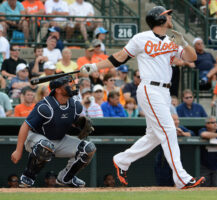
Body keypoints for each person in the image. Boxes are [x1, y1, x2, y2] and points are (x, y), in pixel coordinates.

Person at [81, 6, 205, 189]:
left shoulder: (172, 40)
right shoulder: (141, 38)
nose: (170, 16)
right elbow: (120, 57)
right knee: (169, 130)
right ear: (159, 18)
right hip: (149, 88)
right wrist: (95, 67)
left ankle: (122, 160)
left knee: (154, 136)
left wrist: (184, 42)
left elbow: (192, 57)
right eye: (167, 14)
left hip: (164, 92)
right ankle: (181, 178)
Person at [10, 75, 96, 187]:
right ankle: (28, 176)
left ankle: (66, 178)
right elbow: (25, 126)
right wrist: (18, 150)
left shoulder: (76, 106)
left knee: (88, 149)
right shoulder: (45, 106)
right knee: (45, 146)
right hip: (35, 138)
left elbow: (67, 120)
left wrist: (79, 123)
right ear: (58, 90)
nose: (72, 86)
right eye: (68, 85)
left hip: (59, 140)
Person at [154, 114, 195, 186]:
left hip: (176, 158)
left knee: (175, 180)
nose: (176, 121)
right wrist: (172, 133)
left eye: (177, 119)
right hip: (163, 158)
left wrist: (183, 133)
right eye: (174, 120)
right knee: (163, 182)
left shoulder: (180, 128)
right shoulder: (163, 127)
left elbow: (192, 133)